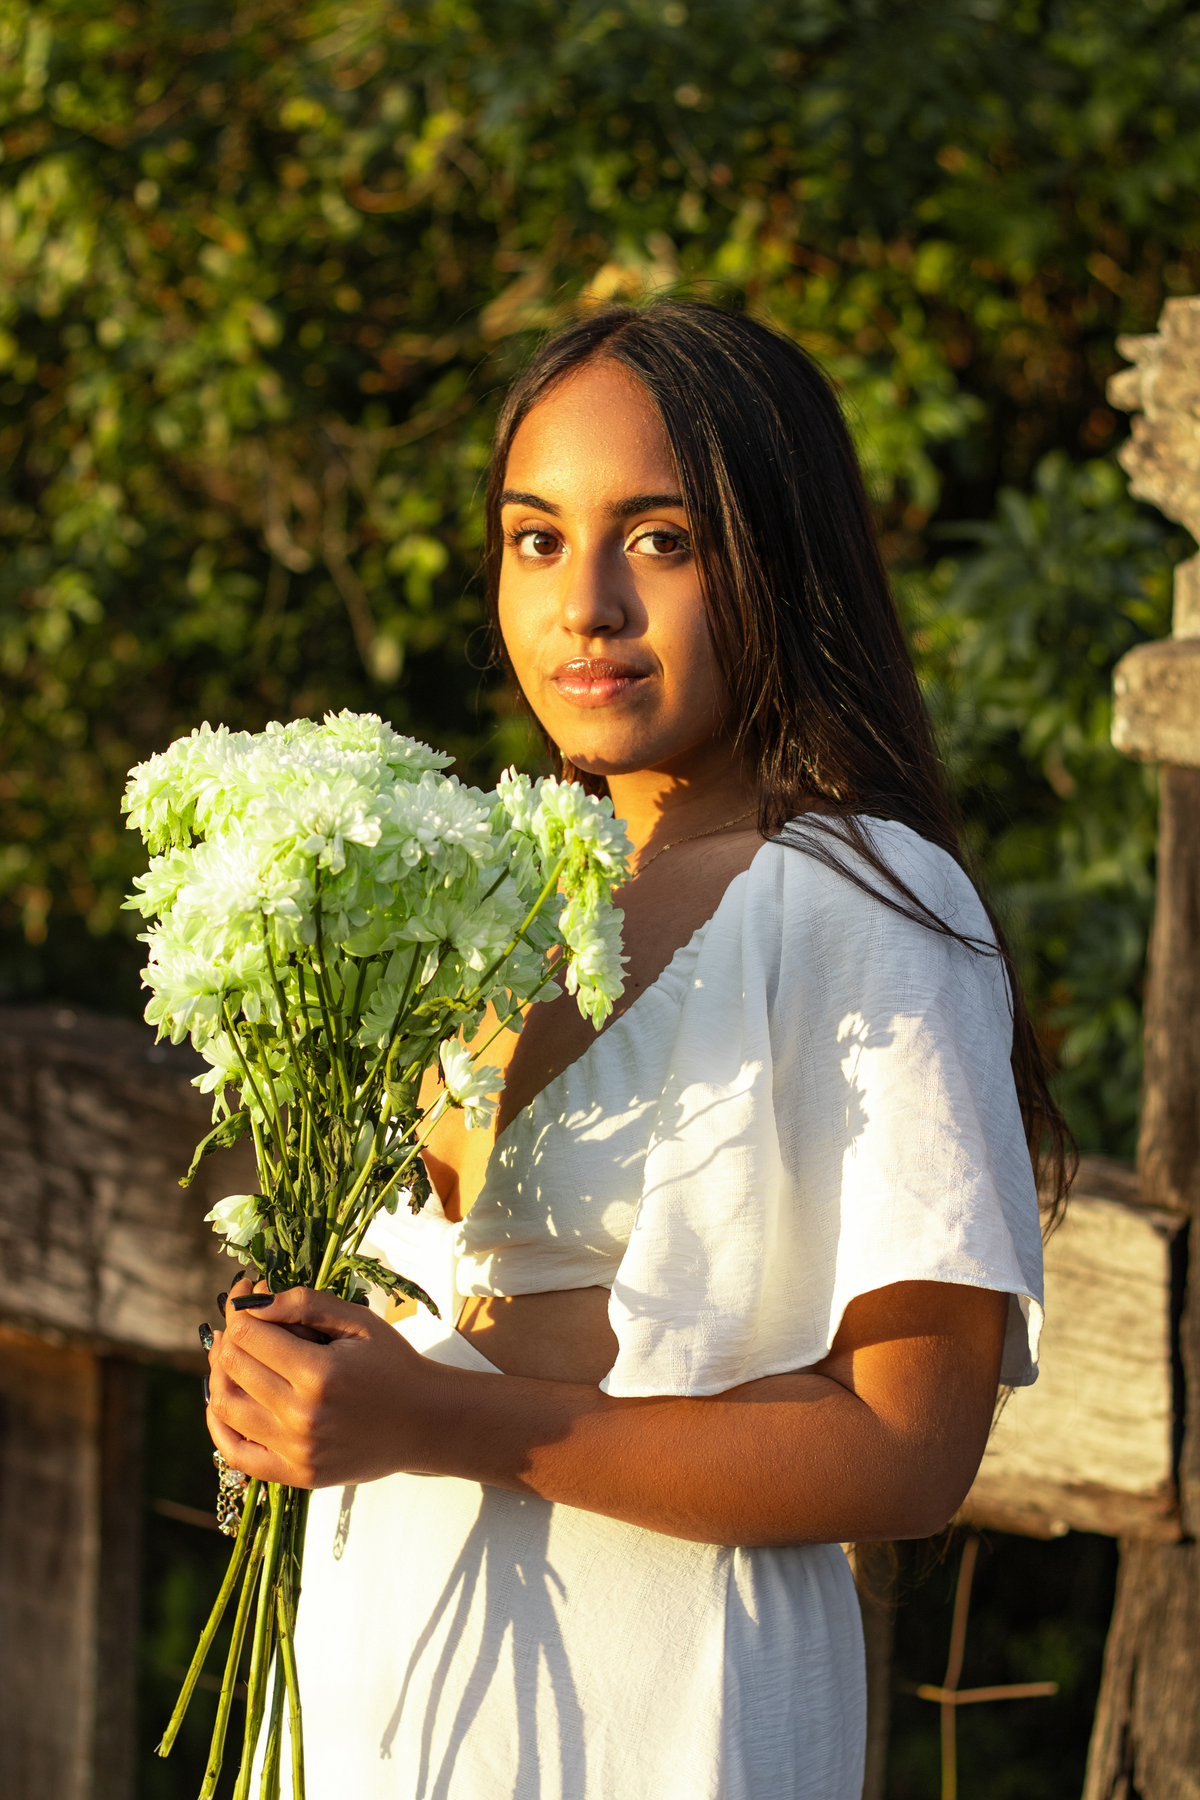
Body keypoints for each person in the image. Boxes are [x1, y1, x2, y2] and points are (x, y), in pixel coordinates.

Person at [206, 301, 1057, 1799]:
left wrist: (435, 1420)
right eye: (537, 539)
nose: (585, 603)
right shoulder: (487, 893)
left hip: (665, 1713)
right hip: (376, 1704)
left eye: (659, 539)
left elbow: (908, 1453)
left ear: (777, 560)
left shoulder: (863, 901)